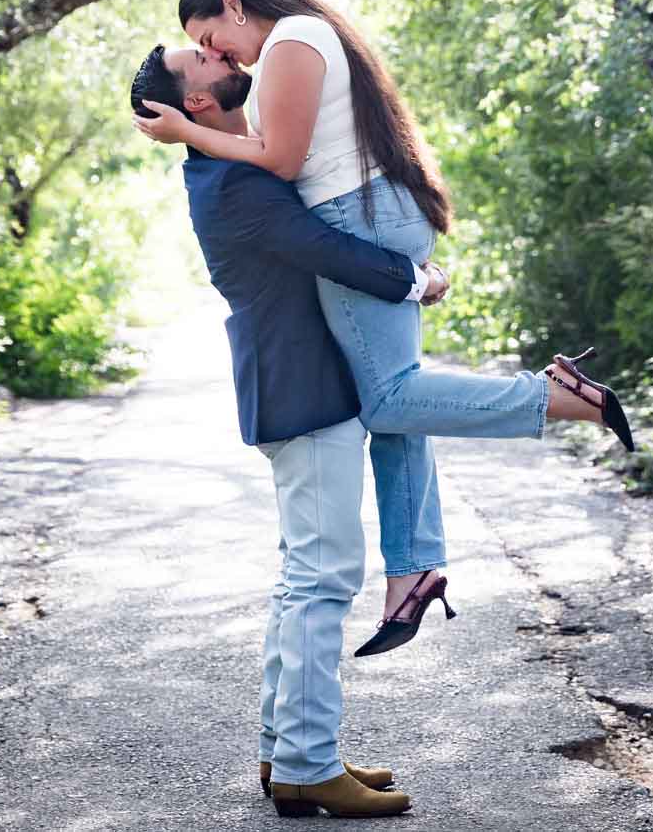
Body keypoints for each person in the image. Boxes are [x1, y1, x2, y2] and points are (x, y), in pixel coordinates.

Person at [133, 0, 637, 657]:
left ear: (232, 4)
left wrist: (189, 136)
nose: (220, 52)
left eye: (210, 36)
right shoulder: (298, 40)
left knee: (391, 398)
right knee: (401, 396)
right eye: (203, 50)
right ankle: (413, 571)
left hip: (356, 218)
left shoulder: (289, 43)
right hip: (370, 212)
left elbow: (278, 160)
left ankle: (547, 396)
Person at [129, 41, 429, 818]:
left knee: (305, 576)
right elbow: (322, 248)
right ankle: (305, 762)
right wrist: (416, 279)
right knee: (323, 577)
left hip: (296, 386)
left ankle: (289, 749)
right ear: (196, 102)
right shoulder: (232, 182)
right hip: (302, 389)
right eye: (196, 58)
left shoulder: (230, 162)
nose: (213, 52)